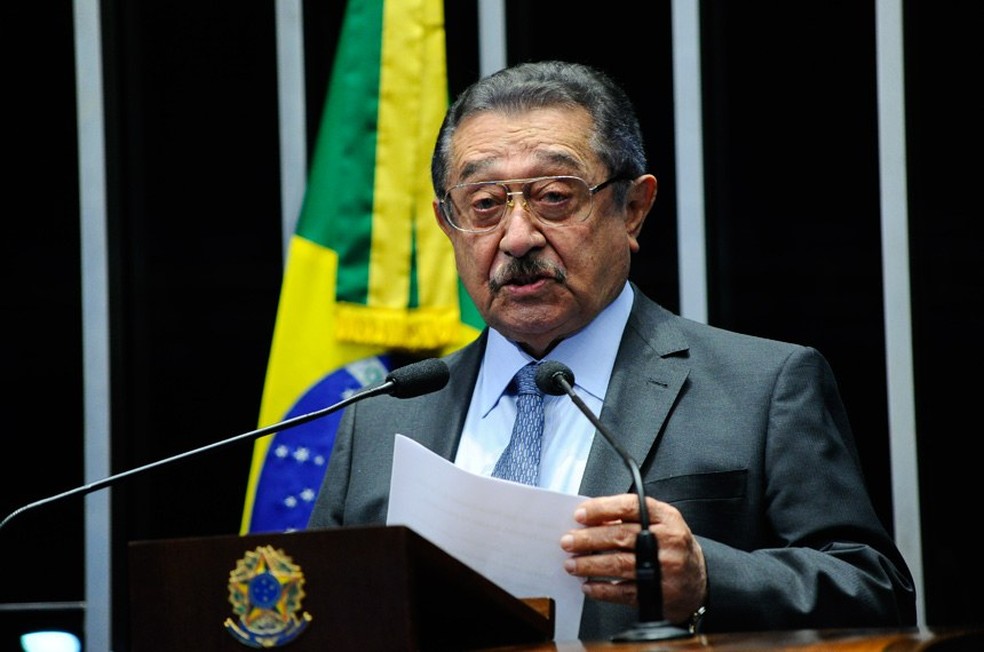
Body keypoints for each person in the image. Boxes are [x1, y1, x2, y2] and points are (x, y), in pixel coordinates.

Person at [308, 60, 917, 640]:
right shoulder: (380, 415)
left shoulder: (763, 385)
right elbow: (322, 611)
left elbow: (875, 593)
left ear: (633, 208)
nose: (517, 237)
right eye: (485, 205)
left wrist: (707, 577)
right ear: (449, 226)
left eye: (554, 196)